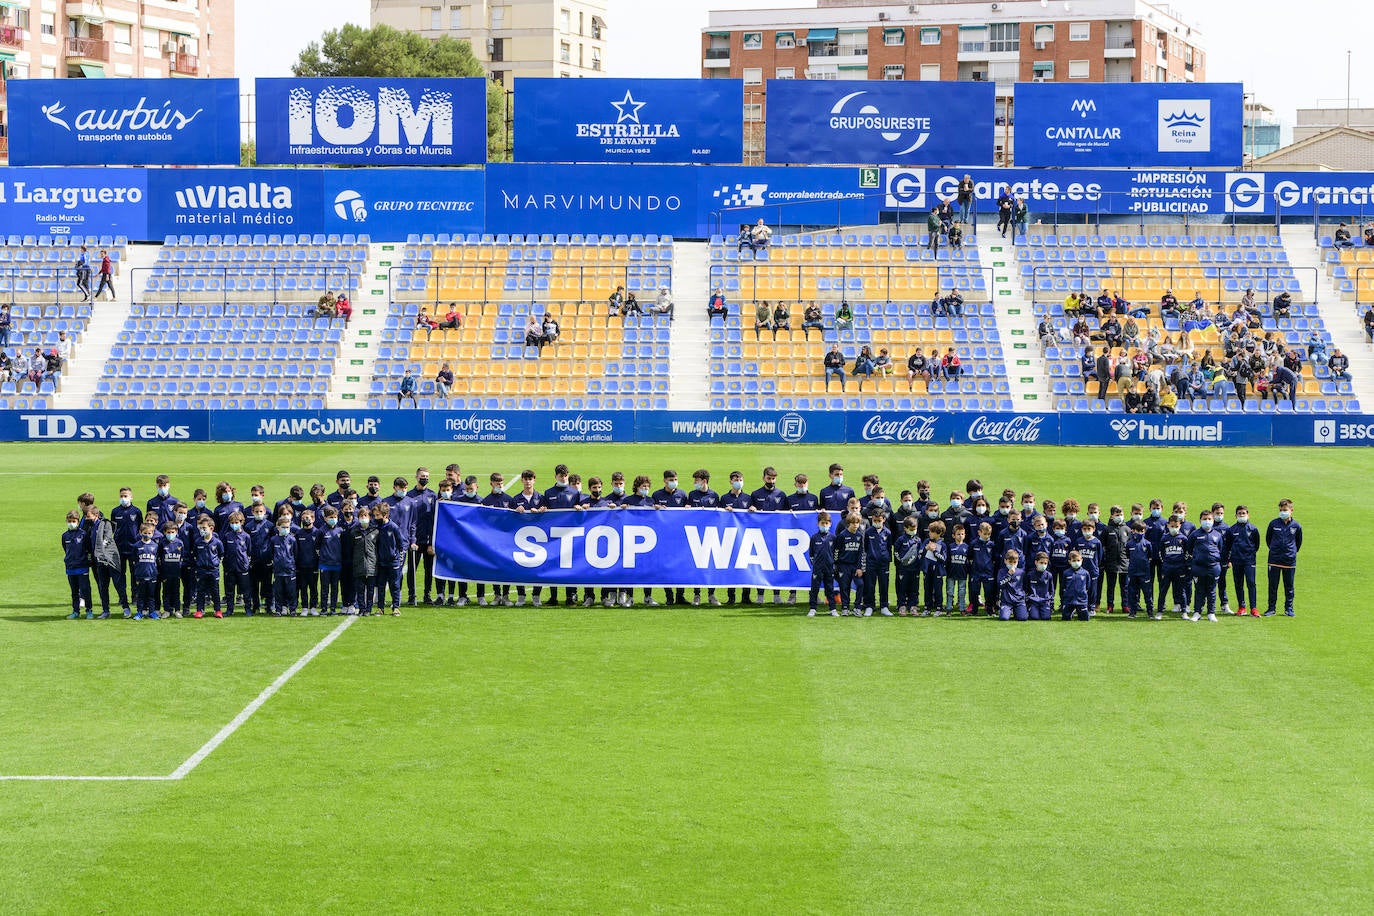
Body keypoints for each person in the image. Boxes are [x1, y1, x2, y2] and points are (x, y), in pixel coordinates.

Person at [1263, 499, 1301, 617]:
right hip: (1274, 560)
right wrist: (1275, 550)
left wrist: (1292, 552)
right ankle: (1271, 608)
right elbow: (1268, 540)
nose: (1282, 512)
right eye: (1280, 510)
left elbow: (1298, 542)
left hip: (1289, 560)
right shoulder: (1273, 524)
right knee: (1273, 586)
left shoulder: (1296, 526)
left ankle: (1289, 609)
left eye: (1285, 510)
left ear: (1291, 510)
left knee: (1289, 586)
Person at [1224, 505, 1260, 617]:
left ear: (1248, 515)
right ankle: (1242, 607)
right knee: (1238, 584)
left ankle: (1253, 608)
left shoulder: (1253, 529)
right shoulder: (1231, 530)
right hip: (1236, 561)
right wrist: (1230, 560)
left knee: (1251, 583)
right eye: (1239, 513)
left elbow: (1256, 545)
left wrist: (1250, 555)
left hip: (1249, 561)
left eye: (1243, 513)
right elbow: (1228, 546)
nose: (1241, 515)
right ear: (1236, 515)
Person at [831, 512, 866, 616]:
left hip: (855, 566)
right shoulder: (842, 535)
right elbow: (836, 551)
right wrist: (836, 566)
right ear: (848, 524)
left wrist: (860, 567)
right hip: (843, 565)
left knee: (860, 584)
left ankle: (857, 607)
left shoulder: (860, 536)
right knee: (844, 586)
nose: (855, 525)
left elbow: (861, 552)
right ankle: (845, 607)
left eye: (857, 523)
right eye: (853, 523)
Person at [62, 509, 94, 620]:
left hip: (82, 566)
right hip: (70, 567)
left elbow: (89, 549)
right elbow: (65, 549)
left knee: (85, 589)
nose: (71, 523)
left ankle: (89, 610)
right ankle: (76, 611)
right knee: (74, 591)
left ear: (78, 521)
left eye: (74, 521)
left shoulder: (83, 534)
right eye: (69, 520)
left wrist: (87, 561)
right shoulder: (64, 536)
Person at [808, 511, 838, 617]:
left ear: (830, 524)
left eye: (826, 523)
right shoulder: (814, 538)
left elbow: (836, 553)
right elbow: (811, 553)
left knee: (829, 588)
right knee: (814, 588)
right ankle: (812, 608)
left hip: (829, 568)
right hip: (817, 568)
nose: (824, 525)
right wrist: (815, 564)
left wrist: (833, 564)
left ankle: (833, 609)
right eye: (822, 523)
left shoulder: (833, 538)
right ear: (818, 524)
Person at [997, 550, 1025, 621]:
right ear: (1005, 561)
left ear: (1017, 561)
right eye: (1010, 562)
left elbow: (1025, 587)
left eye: (1014, 562)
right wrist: (1009, 574)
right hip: (1006, 601)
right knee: (1004, 618)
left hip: (1019, 601)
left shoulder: (1021, 572)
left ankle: (1016, 610)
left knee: (1023, 618)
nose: (1012, 564)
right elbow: (1000, 584)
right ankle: (1005, 610)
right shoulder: (1001, 572)